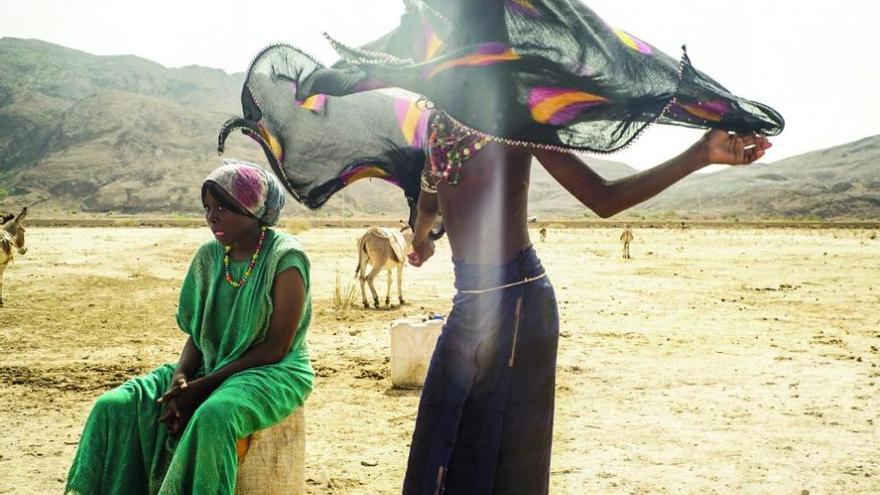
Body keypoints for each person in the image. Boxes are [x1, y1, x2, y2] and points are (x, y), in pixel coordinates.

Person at [404, 111, 771, 494]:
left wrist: (700, 153)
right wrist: (421, 240)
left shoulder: (514, 117)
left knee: (504, 461)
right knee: (439, 438)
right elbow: (430, 201)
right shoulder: (439, 124)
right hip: (469, 303)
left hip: (518, 303)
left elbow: (603, 198)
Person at [65, 162, 313, 495]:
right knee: (114, 406)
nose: (212, 216)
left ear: (252, 206)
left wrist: (201, 387)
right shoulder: (210, 257)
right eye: (208, 207)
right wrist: (180, 378)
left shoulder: (285, 259)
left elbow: (276, 348)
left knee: (215, 416)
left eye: (223, 206)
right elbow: (199, 336)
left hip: (273, 371)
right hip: (212, 363)